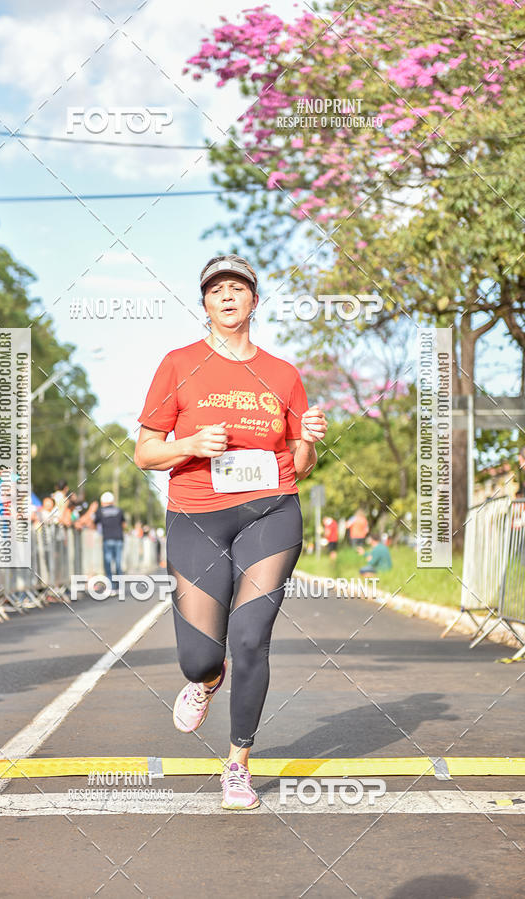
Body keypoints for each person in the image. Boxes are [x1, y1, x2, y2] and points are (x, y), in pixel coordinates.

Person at [134, 254, 327, 811]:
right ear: (204, 304)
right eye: (216, 289)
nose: (227, 296)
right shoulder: (178, 365)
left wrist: (310, 436)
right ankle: (205, 680)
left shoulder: (284, 374)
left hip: (272, 512)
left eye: (237, 287)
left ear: (254, 301)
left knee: (250, 637)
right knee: (200, 656)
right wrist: (190, 445)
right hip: (197, 514)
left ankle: (238, 764)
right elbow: (146, 452)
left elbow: (300, 462)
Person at [94, 491, 125, 593]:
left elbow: (94, 523)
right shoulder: (119, 510)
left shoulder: (100, 511)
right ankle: (119, 587)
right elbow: (123, 524)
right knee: (118, 563)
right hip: (118, 539)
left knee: (108, 564)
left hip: (107, 539)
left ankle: (111, 587)